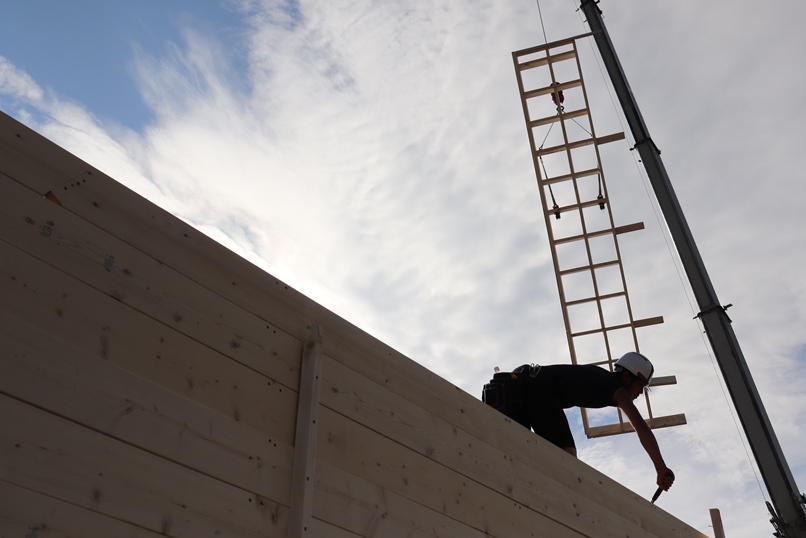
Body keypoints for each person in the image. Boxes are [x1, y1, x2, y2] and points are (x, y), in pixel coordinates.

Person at [483, 352, 675, 493]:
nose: (640, 393)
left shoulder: (601, 378)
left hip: (520, 385)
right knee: (565, 458)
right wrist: (660, 467)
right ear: (627, 376)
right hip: (539, 388)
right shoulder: (617, 389)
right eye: (641, 386)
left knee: (517, 453)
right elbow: (640, 427)